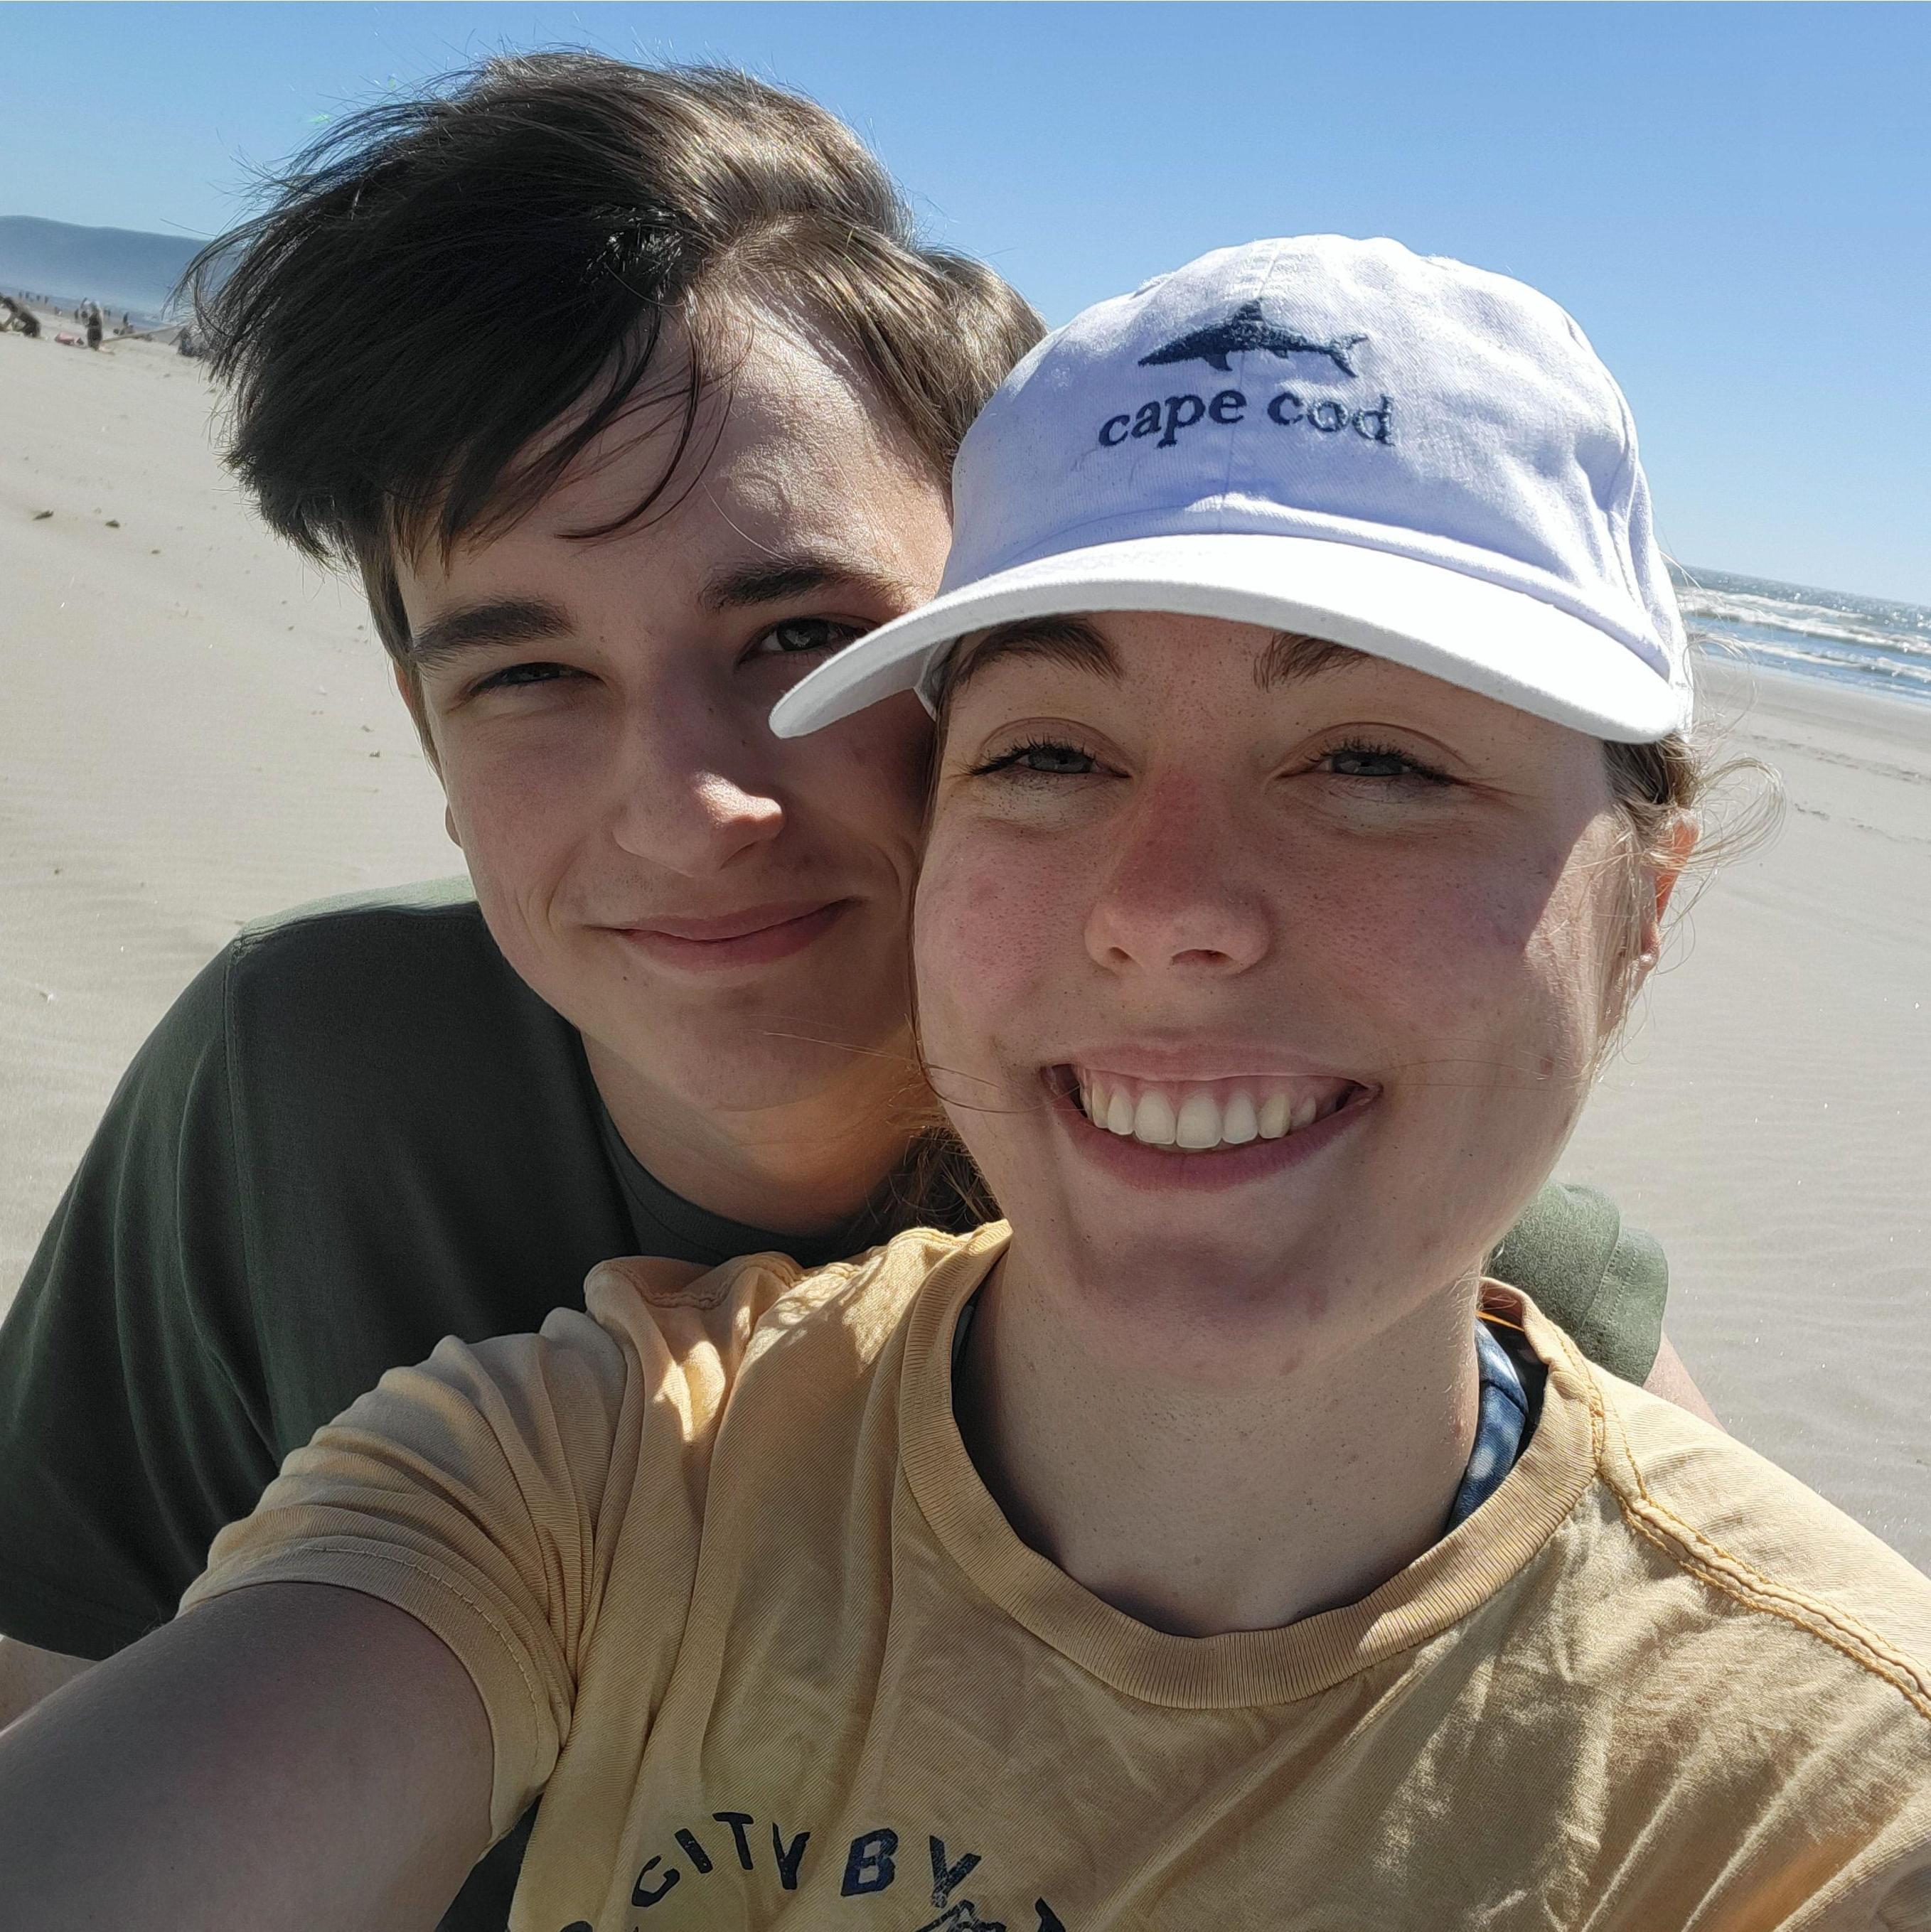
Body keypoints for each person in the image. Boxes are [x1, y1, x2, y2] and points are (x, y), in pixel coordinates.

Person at [3, 234, 1925, 1931]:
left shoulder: (1815, 1773)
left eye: (1379, 762)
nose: (1165, 909)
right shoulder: (582, 1458)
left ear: (1642, 904)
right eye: (1052, 753)